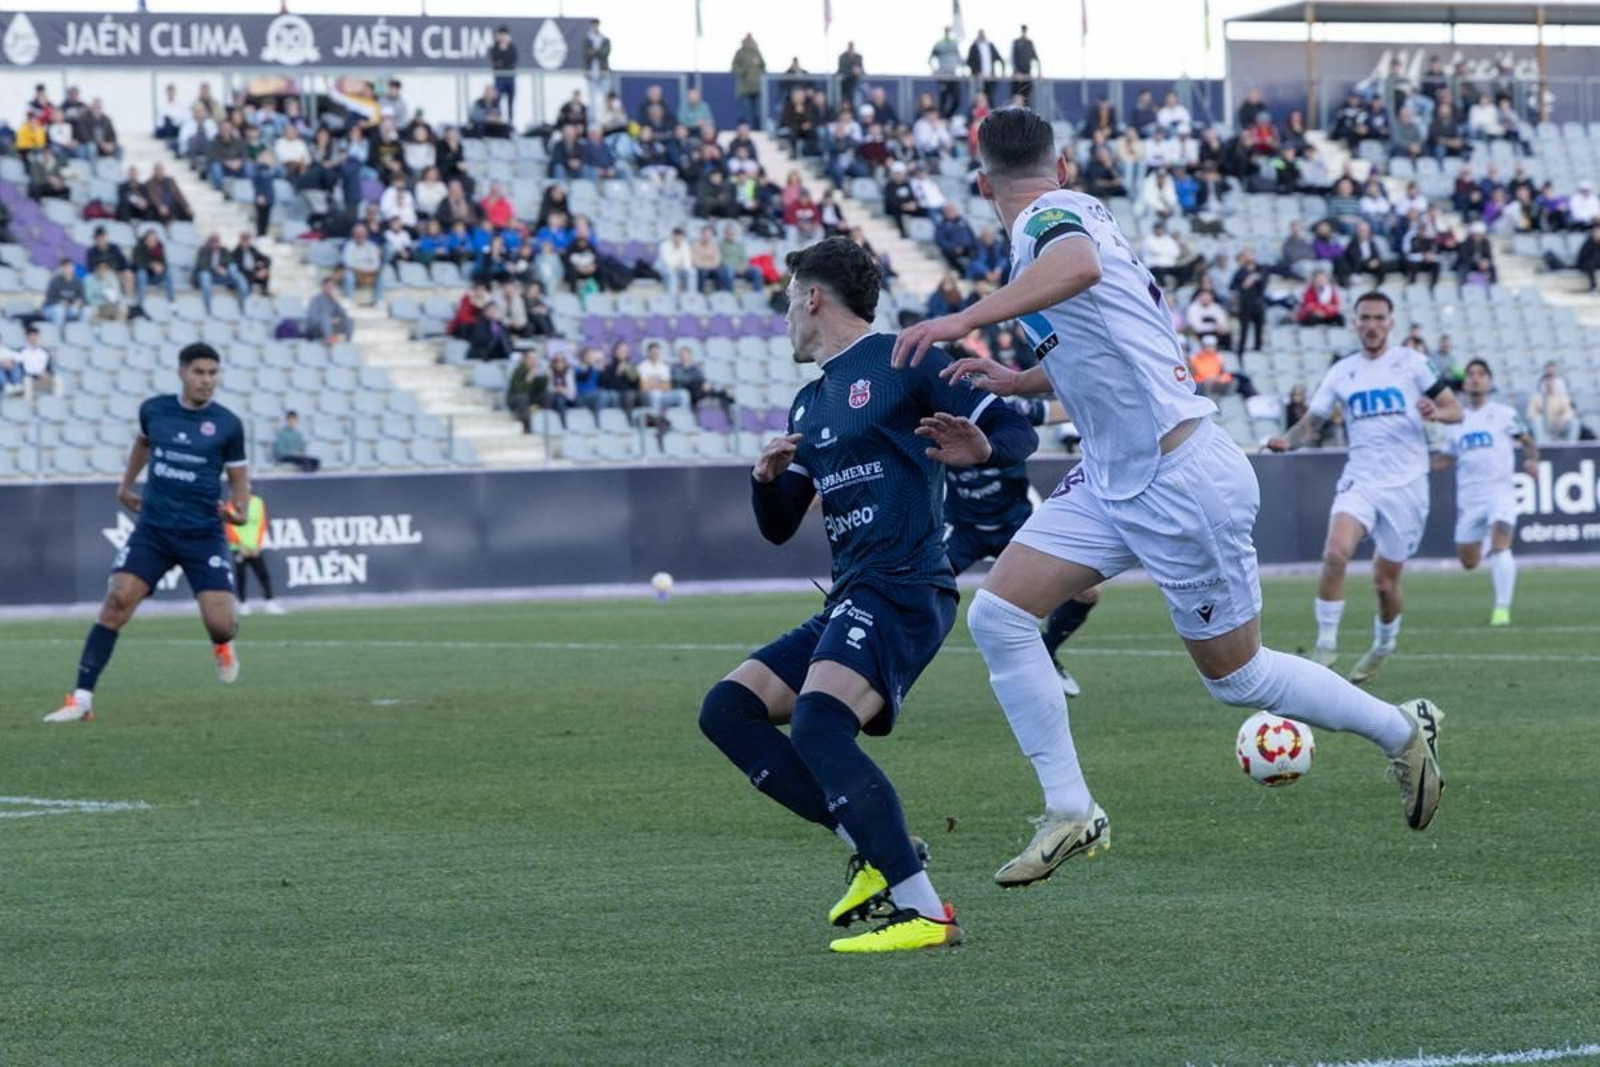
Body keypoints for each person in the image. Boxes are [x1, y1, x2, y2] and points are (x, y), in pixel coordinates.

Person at [890, 109, 1448, 892]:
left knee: (1238, 679)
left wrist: (964, 317)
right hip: (1115, 478)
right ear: (1065, 158)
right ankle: (1070, 808)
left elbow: (1077, 268)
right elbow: (1105, 336)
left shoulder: (1053, 220)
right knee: (999, 613)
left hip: (1180, 480)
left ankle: (1402, 729)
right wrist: (1024, 380)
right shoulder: (1070, 214)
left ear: (980, 182)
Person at [697, 237, 1037, 953]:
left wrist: (983, 446)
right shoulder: (811, 397)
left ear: (813, 297)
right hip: (853, 593)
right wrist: (764, 482)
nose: (787, 314)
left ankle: (923, 909)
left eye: (790, 298)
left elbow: (1013, 428)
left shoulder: (902, 360)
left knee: (820, 722)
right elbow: (782, 524)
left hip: (906, 583)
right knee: (729, 709)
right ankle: (876, 847)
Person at [44, 344, 249, 723]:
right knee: (117, 602)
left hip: (203, 533)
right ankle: (82, 699)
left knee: (220, 622)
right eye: (199, 372)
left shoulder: (228, 424)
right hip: (154, 529)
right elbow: (142, 444)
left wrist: (240, 509)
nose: (207, 380)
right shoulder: (154, 410)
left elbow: (239, 477)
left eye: (213, 373)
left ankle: (222, 644)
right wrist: (125, 485)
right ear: (182, 372)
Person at [1269, 291, 1463, 681]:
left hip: (1407, 485)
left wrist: (1435, 412)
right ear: (1354, 323)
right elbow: (1314, 422)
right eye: (1365, 318)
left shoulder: (1413, 364)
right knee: (1335, 553)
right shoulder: (1342, 371)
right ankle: (1325, 648)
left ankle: (1383, 644)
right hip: (1361, 479)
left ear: (1390, 323)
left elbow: (1454, 409)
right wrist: (1287, 441)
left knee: (1384, 583)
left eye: (1379, 317)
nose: (1372, 325)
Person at [1435, 360, 1537, 626]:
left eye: (1481, 374)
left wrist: (1532, 460)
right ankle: (1487, 543)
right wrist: (1419, 465)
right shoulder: (1457, 420)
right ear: (1465, 382)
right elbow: (1447, 457)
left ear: (1490, 382)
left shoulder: (1504, 413)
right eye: (1471, 375)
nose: (1476, 378)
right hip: (1469, 499)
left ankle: (1501, 610)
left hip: (1499, 492)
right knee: (1468, 561)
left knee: (1502, 545)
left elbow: (1527, 440)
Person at [227, 492, 284, 616]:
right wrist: (240, 544)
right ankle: (242, 604)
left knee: (263, 574)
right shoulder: (232, 504)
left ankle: (269, 602)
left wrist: (257, 544)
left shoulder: (257, 503)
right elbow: (229, 526)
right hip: (239, 547)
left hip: (254, 547)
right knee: (241, 576)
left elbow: (262, 524)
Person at [304, 275, 353, 345]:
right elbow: (312, 317)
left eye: (332, 287)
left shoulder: (333, 301)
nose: (330, 288)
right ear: (323, 287)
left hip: (330, 327)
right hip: (316, 328)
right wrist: (327, 321)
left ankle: (348, 343)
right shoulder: (315, 300)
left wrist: (336, 300)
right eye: (328, 286)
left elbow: (344, 315)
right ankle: (329, 340)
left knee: (349, 321)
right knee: (324, 316)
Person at [490, 25, 519, 126]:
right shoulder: (494, 48)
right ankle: (497, 121)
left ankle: (511, 122)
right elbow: (495, 62)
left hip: (510, 78)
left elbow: (513, 61)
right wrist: (502, 51)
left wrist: (503, 61)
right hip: (500, 78)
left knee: (510, 101)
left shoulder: (512, 48)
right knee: (497, 100)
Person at [1009, 25, 1039, 105]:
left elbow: (1035, 57)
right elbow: (1012, 58)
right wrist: (1016, 72)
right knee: (1015, 99)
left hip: (1027, 76)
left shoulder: (1029, 43)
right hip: (1017, 77)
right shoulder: (1016, 42)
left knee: (1026, 99)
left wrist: (1039, 72)